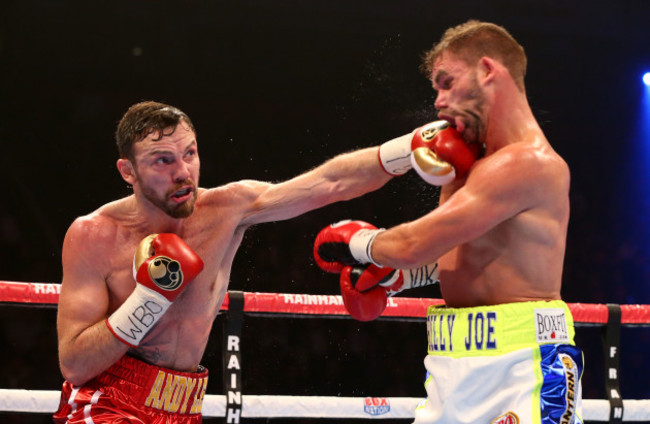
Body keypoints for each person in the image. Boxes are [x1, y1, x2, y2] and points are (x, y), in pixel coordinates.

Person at [53, 99, 473, 423]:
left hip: (183, 404)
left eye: (190, 154)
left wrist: (406, 148)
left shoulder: (228, 209)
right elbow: (74, 363)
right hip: (107, 402)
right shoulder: (94, 235)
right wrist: (149, 300)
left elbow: (328, 183)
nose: (183, 171)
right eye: (163, 160)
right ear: (128, 171)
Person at [313, 20, 584, 424]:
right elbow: (462, 256)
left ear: (488, 70)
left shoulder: (529, 162)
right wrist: (398, 278)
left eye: (446, 82)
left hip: (522, 365)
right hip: (451, 360)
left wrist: (358, 244)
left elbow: (413, 244)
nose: (437, 101)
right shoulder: (470, 164)